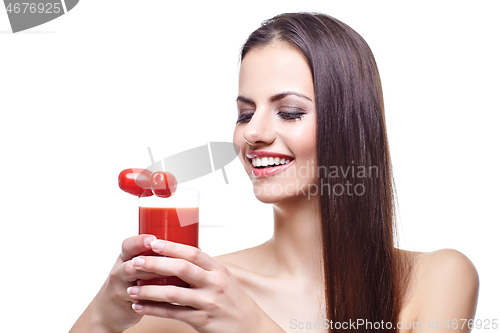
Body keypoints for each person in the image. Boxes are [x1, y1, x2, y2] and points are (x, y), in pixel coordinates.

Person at [70, 12, 479, 333]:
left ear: (350, 125)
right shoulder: (200, 291)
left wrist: (251, 326)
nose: (253, 132)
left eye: (289, 112)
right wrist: (105, 314)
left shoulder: (437, 278)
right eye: (245, 113)